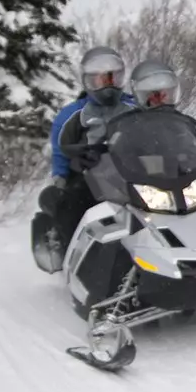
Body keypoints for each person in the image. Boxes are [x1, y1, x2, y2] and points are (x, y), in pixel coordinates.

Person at [32, 46, 136, 269]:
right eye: (99, 80)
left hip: (133, 171)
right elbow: (60, 149)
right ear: (88, 81)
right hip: (89, 174)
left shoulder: (134, 107)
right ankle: (75, 258)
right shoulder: (72, 113)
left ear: (121, 78)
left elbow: (155, 133)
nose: (107, 86)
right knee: (73, 204)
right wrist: (61, 176)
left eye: (112, 78)